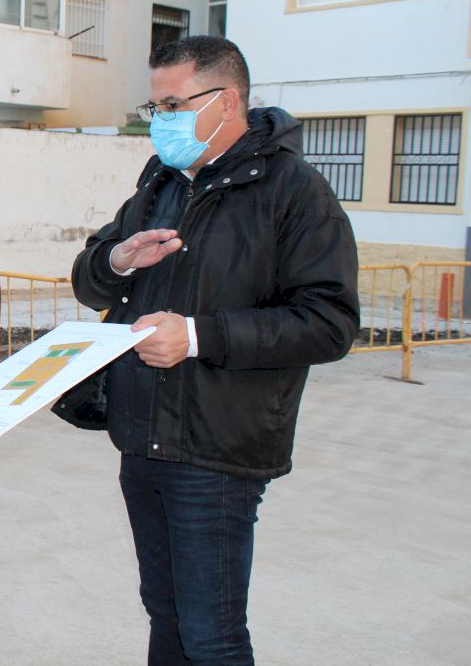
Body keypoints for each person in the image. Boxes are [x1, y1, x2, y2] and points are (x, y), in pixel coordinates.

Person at [61, 36, 359, 665]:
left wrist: (198, 336)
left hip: (218, 448)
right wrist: (117, 260)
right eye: (155, 107)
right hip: (143, 438)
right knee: (165, 614)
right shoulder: (160, 182)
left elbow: (330, 322)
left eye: (173, 106)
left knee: (212, 635)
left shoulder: (294, 192)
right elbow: (91, 278)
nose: (159, 121)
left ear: (227, 102)